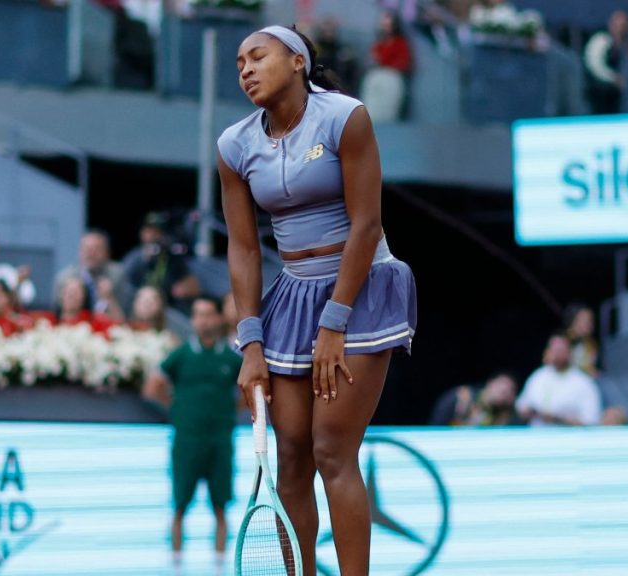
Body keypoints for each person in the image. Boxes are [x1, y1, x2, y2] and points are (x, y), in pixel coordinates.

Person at [218, 25, 417, 575]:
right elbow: (244, 248)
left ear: (298, 61)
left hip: (362, 285)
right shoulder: (234, 146)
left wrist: (334, 323)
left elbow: (367, 224)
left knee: (331, 449)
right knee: (291, 459)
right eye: (239, 64)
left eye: (258, 56)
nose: (246, 69)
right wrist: (251, 344)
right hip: (292, 295)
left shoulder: (345, 117)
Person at [141, 295, 241, 572]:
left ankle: (219, 568)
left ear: (218, 318)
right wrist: (177, 408)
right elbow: (152, 386)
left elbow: (248, 390)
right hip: (187, 441)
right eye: (197, 314)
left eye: (208, 314)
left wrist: (228, 408)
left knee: (220, 508)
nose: (202, 320)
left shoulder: (230, 357)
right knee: (179, 507)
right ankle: (177, 568)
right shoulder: (182, 354)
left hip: (220, 441)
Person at [515, 333, 602, 427]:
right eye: (553, 350)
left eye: (560, 350)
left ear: (570, 352)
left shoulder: (584, 383)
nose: (556, 354)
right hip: (536, 433)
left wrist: (558, 418)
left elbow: (591, 422)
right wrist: (528, 411)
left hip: (568, 435)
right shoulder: (538, 376)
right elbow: (521, 405)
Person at [122, 212, 201, 314]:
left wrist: (185, 288)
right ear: (142, 233)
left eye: (157, 232)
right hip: (139, 307)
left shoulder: (171, 257)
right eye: (148, 231)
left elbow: (193, 286)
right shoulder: (134, 258)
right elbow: (124, 284)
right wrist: (146, 258)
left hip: (167, 308)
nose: (152, 236)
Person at [54, 229, 126, 322]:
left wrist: (109, 298)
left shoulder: (117, 276)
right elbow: (56, 316)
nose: (91, 254)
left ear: (107, 253)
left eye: (96, 249)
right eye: (87, 249)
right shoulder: (64, 278)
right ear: (79, 252)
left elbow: (126, 317)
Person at [359, 10, 413, 124]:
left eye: (387, 25)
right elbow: (371, 60)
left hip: (391, 79)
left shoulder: (401, 43)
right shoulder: (378, 43)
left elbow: (403, 63)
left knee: (387, 112)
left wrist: (384, 63)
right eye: (383, 24)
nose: (384, 28)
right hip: (375, 78)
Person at [583, 10, 628, 115]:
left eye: (623, 25)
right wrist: (613, 78)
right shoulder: (601, 40)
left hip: (621, 95)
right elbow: (595, 65)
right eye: (616, 24)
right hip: (599, 92)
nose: (619, 28)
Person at [429, 372, 522, 426]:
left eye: (510, 390)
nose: (504, 393)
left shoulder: (508, 414)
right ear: (490, 383)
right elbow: (436, 426)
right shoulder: (461, 397)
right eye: (501, 388)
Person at [564, 303, 599, 377]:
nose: (589, 324)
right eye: (584, 320)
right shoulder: (562, 341)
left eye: (591, 321)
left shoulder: (592, 344)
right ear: (573, 321)